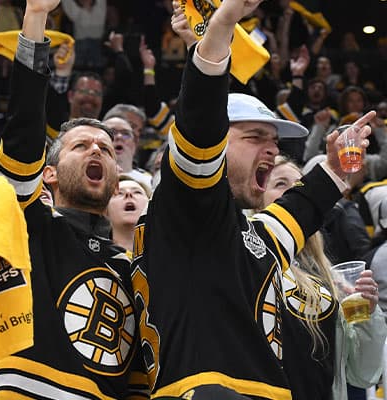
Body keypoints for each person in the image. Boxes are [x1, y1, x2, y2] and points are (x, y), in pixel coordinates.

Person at [131, 0, 376, 398]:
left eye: (274, 142)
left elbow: (300, 209)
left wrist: (334, 170)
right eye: (254, 137)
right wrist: (223, 24)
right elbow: (199, 120)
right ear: (215, 146)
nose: (271, 150)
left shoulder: (252, 236)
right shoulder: (187, 208)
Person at [0, 0, 148, 397]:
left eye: (107, 150)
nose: (97, 151)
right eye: (82, 146)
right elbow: (23, 129)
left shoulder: (134, 270)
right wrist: (36, 17)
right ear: (48, 174)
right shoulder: (28, 223)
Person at [262, 155, 386, 400]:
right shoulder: (249, 265)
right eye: (280, 184)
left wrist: (368, 316)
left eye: (300, 185)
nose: (295, 194)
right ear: (258, 201)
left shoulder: (330, 279)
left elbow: (362, 372)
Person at [106, 175, 150, 257]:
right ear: (105, 211)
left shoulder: (167, 252)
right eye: (119, 193)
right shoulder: (94, 256)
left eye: (137, 192)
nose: (128, 193)